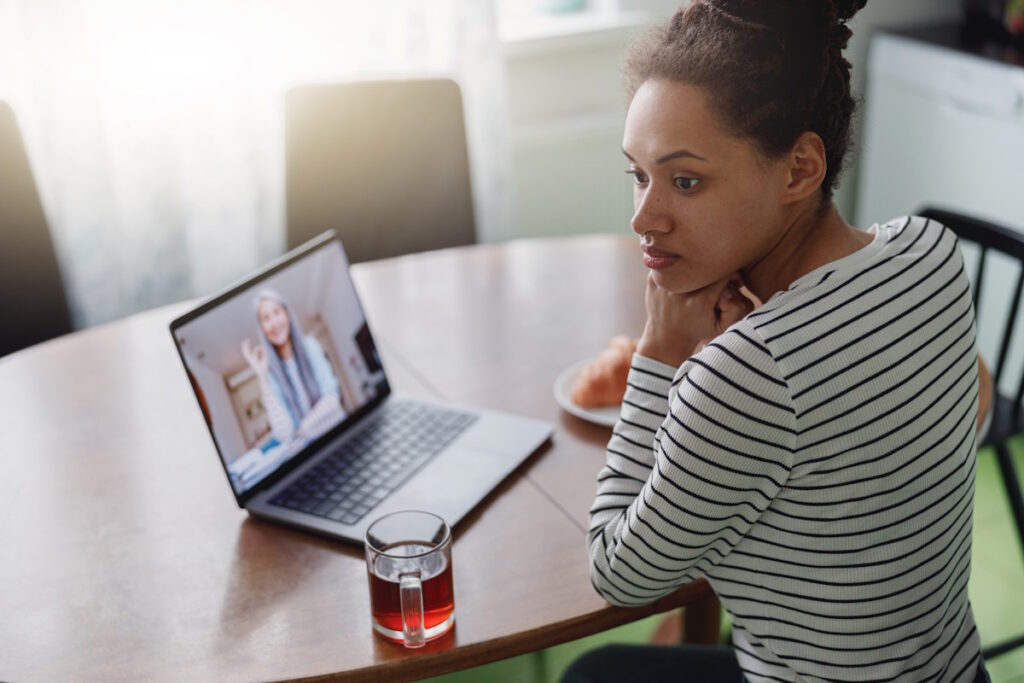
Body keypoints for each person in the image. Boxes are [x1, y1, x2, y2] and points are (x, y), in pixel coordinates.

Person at [567, 1, 994, 682]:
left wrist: (660, 352)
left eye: (685, 180)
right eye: (639, 175)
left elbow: (617, 571)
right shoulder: (932, 252)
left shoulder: (747, 373)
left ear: (799, 168)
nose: (643, 216)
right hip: (955, 671)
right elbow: (970, 392)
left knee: (593, 673)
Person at [240, 290, 345, 444]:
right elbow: (284, 434)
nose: (274, 323)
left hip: (338, 434)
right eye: (266, 318)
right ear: (262, 329)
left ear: (287, 314)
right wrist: (262, 375)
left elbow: (332, 400)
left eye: (276, 312)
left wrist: (301, 430)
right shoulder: (270, 373)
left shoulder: (310, 345)